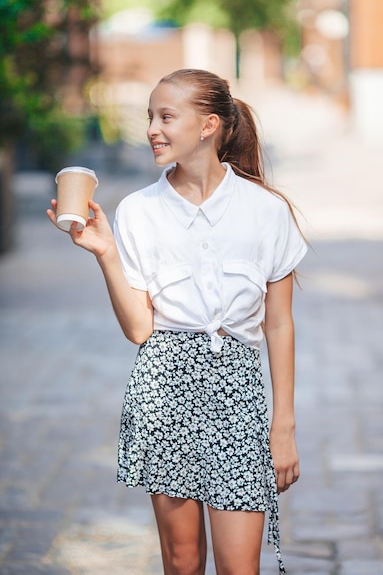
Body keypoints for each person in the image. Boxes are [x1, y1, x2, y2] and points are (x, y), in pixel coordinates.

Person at [47, 68, 307, 575]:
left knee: (239, 566)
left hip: (238, 392)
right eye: (150, 117)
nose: (151, 129)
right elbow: (141, 330)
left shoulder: (266, 211)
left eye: (166, 116)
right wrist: (104, 253)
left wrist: (284, 426)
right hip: (164, 388)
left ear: (209, 125)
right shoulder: (138, 212)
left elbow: (279, 325)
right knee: (183, 562)